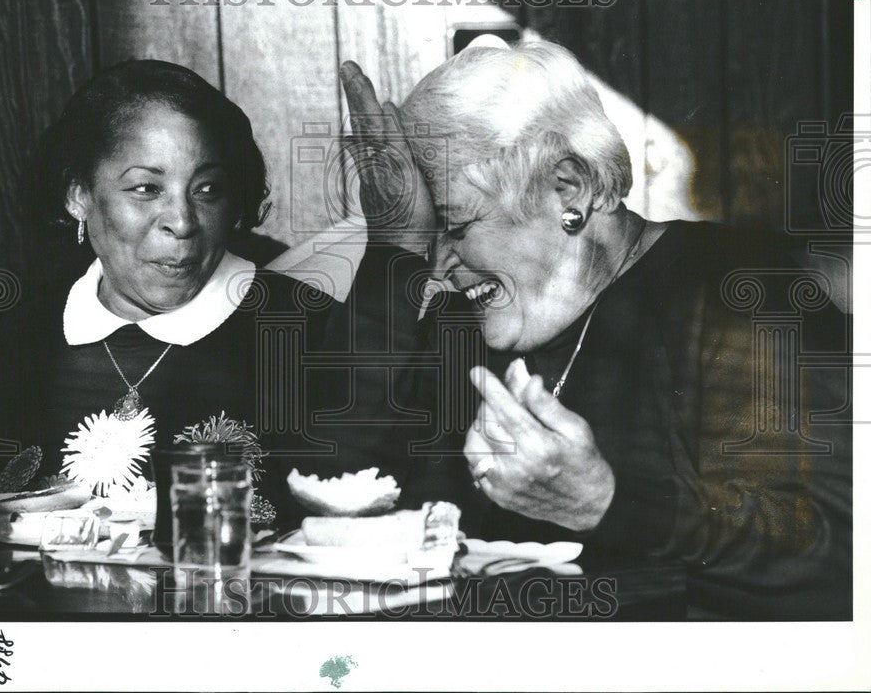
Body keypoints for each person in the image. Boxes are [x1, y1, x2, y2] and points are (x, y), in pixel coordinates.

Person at [338, 40, 851, 619]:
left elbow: (829, 549)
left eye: (454, 228)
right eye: (424, 240)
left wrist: (605, 502)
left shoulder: (739, 289)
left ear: (569, 189)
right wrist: (390, 250)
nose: (438, 270)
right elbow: (321, 489)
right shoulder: (458, 324)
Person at [0, 59, 467, 525]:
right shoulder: (13, 335)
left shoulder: (308, 330)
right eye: (147, 189)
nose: (183, 222)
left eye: (207, 189)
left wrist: (396, 244)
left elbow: (349, 501)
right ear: (78, 195)